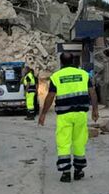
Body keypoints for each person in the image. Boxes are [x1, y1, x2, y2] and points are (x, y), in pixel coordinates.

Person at [38, 53, 99, 183]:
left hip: (64, 115)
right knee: (79, 142)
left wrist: (43, 113)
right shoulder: (84, 74)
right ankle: (78, 171)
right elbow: (92, 92)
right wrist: (95, 110)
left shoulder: (56, 76)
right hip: (80, 115)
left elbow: (50, 96)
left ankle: (66, 172)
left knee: (64, 143)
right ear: (74, 61)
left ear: (61, 62)